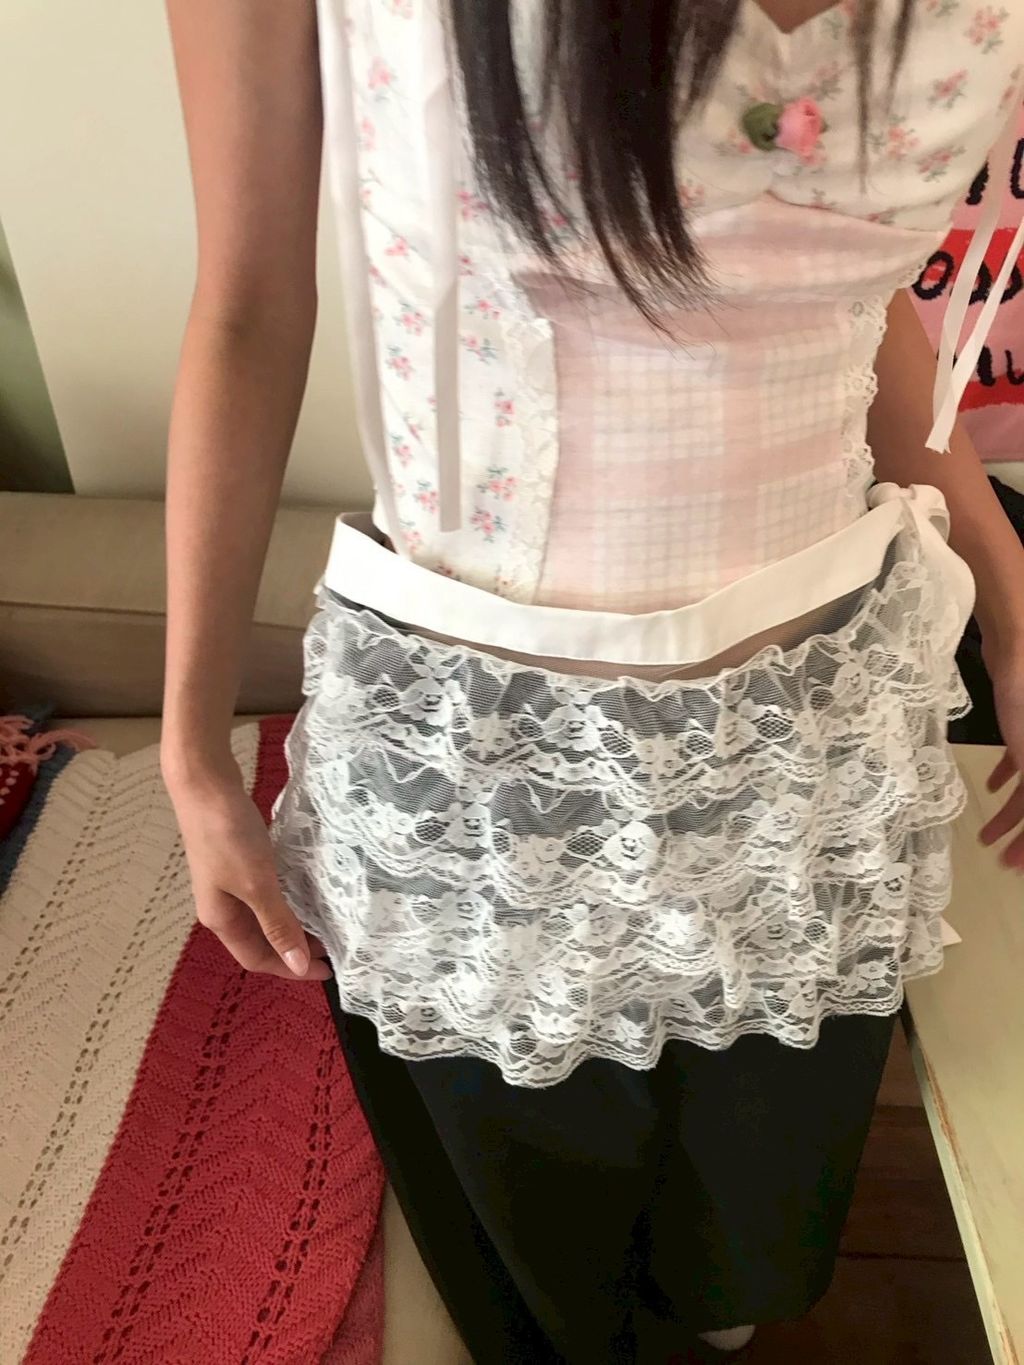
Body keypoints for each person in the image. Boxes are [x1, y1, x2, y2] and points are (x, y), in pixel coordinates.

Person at [161, 2, 1024, 1360]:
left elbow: (854, 299)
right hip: (490, 790)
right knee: (550, 1296)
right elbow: (249, 303)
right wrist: (192, 747)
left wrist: (1013, 600)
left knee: (745, 1261)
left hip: (818, 753)